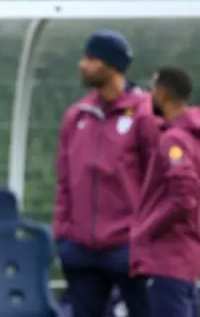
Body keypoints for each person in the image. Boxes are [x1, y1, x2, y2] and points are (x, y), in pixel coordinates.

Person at [52, 30, 161, 317]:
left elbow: (161, 181)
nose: (82, 64)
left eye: (91, 59)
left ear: (112, 66)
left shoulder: (145, 114)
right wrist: (63, 235)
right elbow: (64, 181)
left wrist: (146, 237)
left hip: (130, 248)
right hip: (81, 251)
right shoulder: (77, 116)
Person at [130, 66, 200, 317]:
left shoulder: (174, 140)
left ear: (163, 93)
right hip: (188, 258)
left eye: (152, 89)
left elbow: (185, 195)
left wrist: (146, 228)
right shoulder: (194, 136)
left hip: (167, 259)